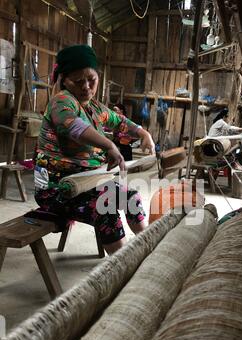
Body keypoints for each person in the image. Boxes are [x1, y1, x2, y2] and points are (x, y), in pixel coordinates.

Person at [34, 44, 155, 255]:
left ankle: (149, 247)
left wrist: (144, 134)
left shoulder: (94, 107)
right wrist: (109, 145)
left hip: (88, 185)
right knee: (105, 209)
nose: (87, 87)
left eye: (92, 80)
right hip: (57, 190)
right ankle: (122, 267)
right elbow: (74, 127)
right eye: (79, 81)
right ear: (63, 79)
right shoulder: (61, 102)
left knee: (131, 197)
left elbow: (120, 121)